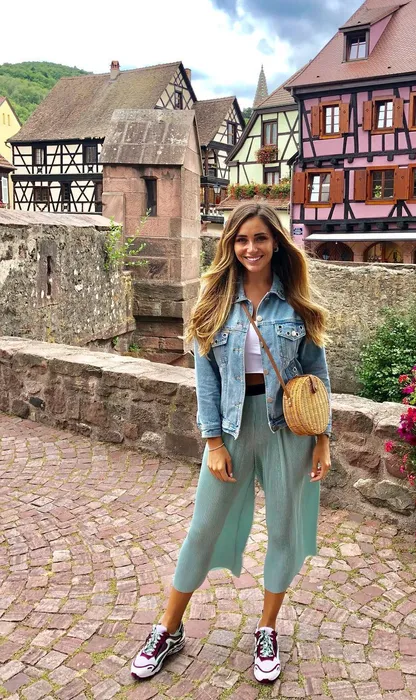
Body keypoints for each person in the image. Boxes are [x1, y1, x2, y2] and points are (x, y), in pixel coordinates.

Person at [130, 202, 332, 683]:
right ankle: (168, 628)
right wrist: (213, 442)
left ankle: (267, 629)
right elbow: (206, 380)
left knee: (283, 532)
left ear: (276, 243)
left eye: (260, 238)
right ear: (230, 245)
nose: (250, 248)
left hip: (288, 432)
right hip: (233, 429)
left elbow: (317, 376)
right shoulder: (214, 302)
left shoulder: (297, 304)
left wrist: (323, 438)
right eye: (241, 239)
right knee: (202, 529)